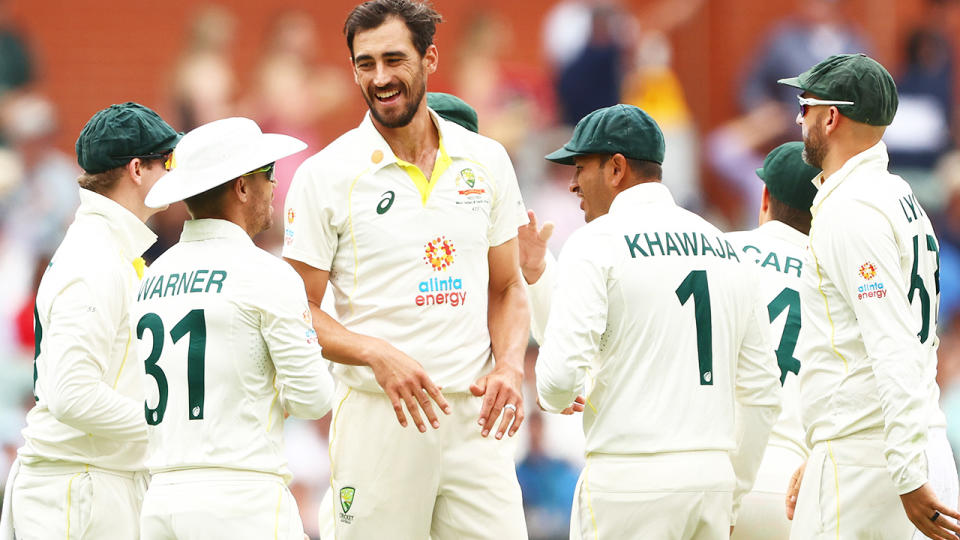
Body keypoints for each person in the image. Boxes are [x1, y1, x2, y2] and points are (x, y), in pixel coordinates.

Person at [281, 1, 530, 538]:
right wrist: (376, 353)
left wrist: (509, 366)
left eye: (394, 59)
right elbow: (296, 309)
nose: (380, 78)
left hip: (473, 421)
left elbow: (508, 286)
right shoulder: (326, 174)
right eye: (365, 64)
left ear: (430, 58)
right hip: (379, 420)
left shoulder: (486, 161)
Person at [528, 104, 782, 539]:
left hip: (628, 483)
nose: (572, 183)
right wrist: (733, 491)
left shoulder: (595, 243)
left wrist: (561, 392)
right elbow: (763, 393)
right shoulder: (726, 246)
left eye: (580, 167)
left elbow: (555, 385)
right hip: (712, 484)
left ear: (616, 169)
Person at [779, 53, 960, 540]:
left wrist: (903, 473)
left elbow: (891, 345)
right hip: (911, 443)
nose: (800, 120)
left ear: (831, 116)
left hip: (872, 461)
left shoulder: (851, 208)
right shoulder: (900, 196)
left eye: (805, 108)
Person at [132, 117, 334, 539]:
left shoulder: (152, 274)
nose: (275, 185)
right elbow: (313, 398)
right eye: (269, 174)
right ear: (242, 187)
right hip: (243, 498)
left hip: (161, 497)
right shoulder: (267, 273)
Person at [2, 102, 179, 539]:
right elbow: (71, 394)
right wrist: (169, 426)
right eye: (169, 162)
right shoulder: (94, 258)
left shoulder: (116, 249)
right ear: (138, 170)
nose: (176, 174)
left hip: (96, 482)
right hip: (73, 491)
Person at [726, 142, 819, 540]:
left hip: (712, 469)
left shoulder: (717, 249)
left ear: (765, 197)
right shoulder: (838, 277)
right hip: (796, 487)